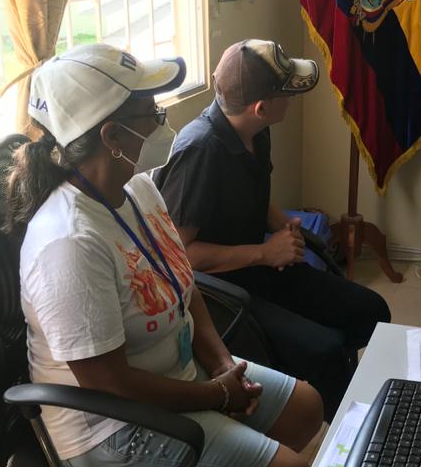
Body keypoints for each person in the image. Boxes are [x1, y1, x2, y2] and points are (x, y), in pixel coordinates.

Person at [6, 43, 323, 467]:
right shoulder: (69, 243)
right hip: (110, 423)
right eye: (150, 112)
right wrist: (217, 396)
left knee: (305, 408)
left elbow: (182, 282)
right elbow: (108, 383)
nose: (163, 121)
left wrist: (221, 365)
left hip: (174, 376)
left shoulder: (137, 188)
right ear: (111, 135)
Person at [155, 39, 391, 420]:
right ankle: (349, 425)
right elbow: (179, 255)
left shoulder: (256, 131)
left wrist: (281, 223)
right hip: (219, 293)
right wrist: (264, 252)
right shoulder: (199, 151)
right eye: (287, 93)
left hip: (259, 267)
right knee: (325, 351)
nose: (292, 100)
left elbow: (254, 192)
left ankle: (339, 387)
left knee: (373, 311)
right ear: (261, 108)